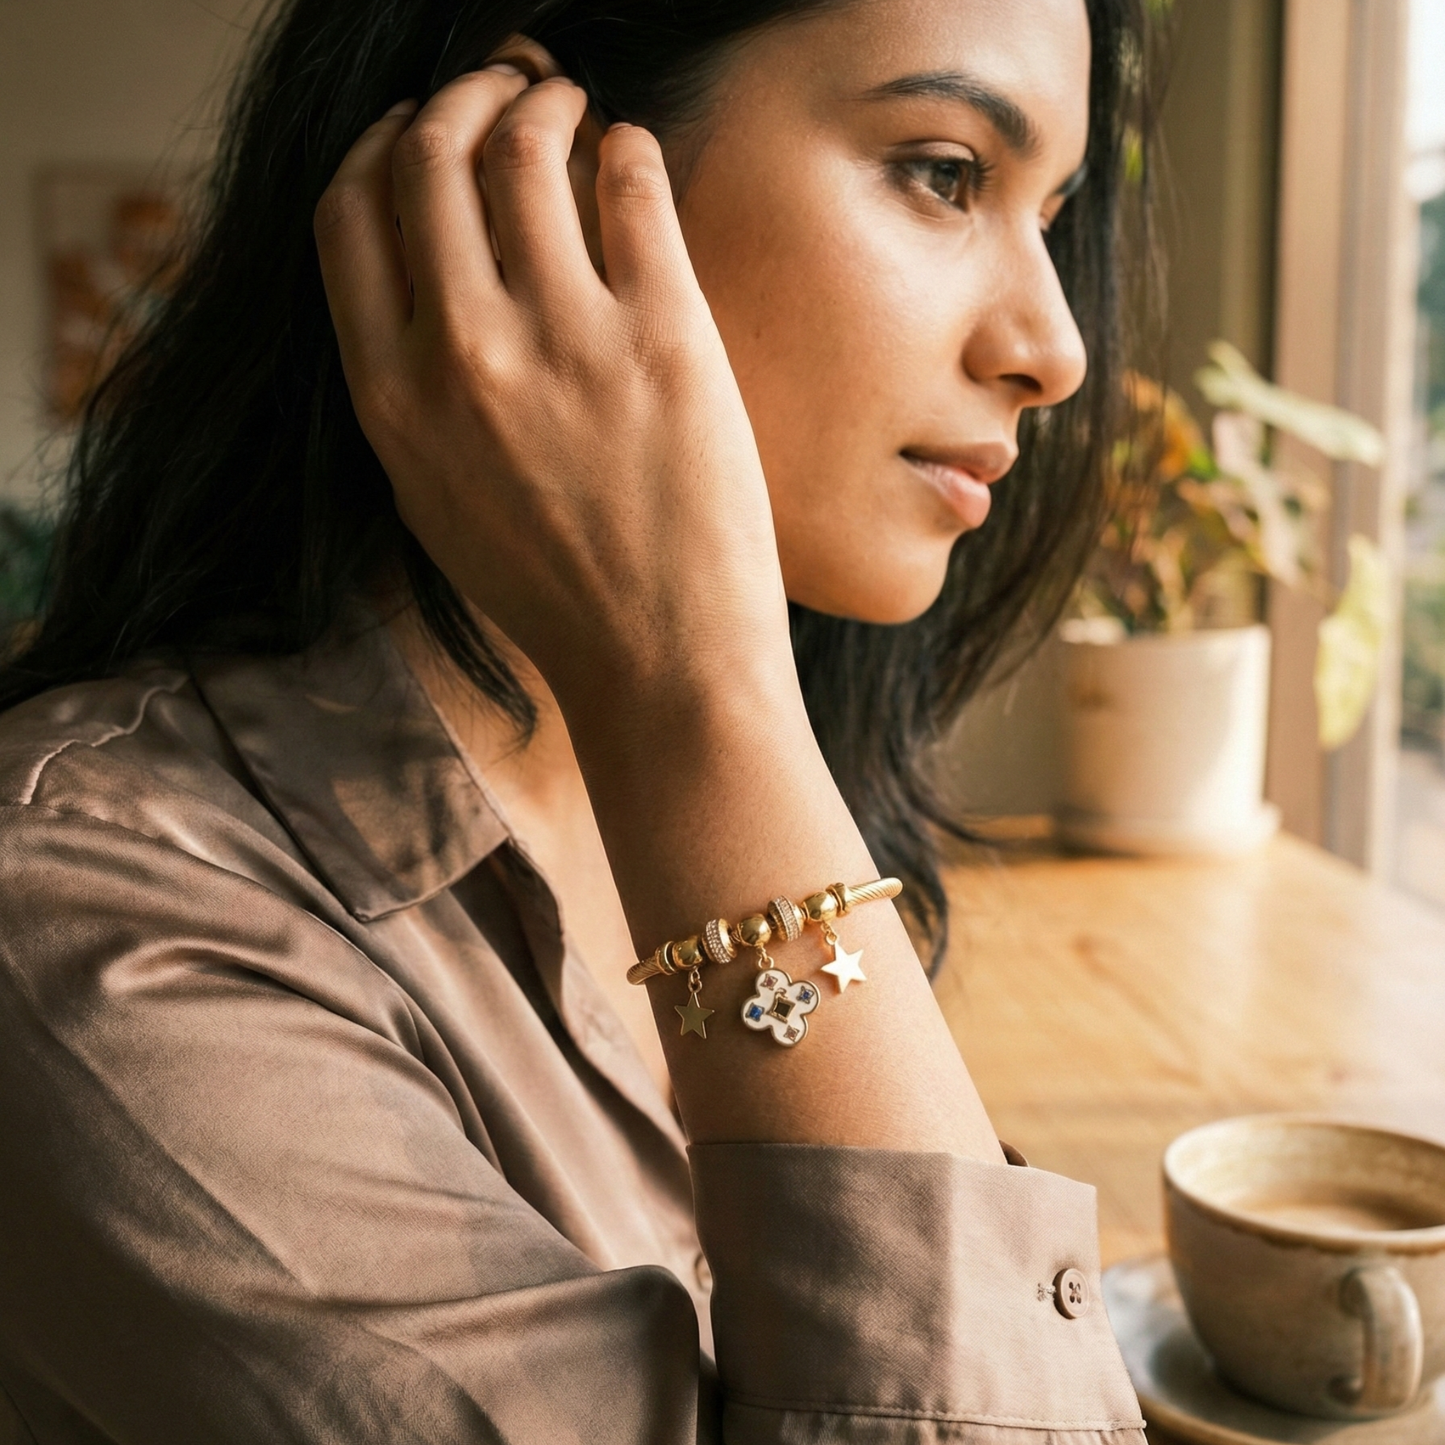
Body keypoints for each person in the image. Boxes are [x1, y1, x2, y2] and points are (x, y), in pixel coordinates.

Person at [0, 0, 1161, 1439]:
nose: (1054, 348)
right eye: (943, 170)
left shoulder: (699, 794)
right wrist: (702, 691)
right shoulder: (86, 933)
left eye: (1050, 212)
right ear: (532, 169)